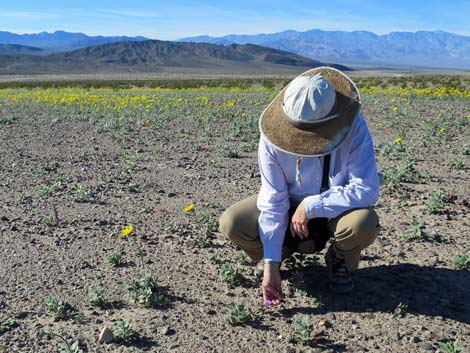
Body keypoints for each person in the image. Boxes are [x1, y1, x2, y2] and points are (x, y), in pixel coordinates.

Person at [219, 67, 380, 305]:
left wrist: (312, 205)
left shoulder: (353, 128)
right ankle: (272, 254)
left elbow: (367, 188)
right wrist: (271, 264)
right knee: (233, 222)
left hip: (336, 209)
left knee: (361, 223)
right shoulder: (271, 137)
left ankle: (340, 260)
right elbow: (274, 200)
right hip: (287, 207)